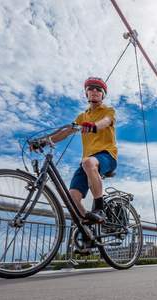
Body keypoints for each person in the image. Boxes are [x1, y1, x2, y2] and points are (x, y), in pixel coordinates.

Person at [32, 77, 117, 223]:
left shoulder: (108, 110)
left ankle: (99, 208)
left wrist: (94, 126)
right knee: (71, 198)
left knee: (89, 163)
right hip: (87, 162)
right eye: (91, 88)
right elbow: (66, 131)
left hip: (107, 156)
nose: (95, 91)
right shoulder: (82, 116)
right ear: (86, 93)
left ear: (103, 95)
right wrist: (44, 141)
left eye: (99, 89)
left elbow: (106, 122)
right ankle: (88, 226)